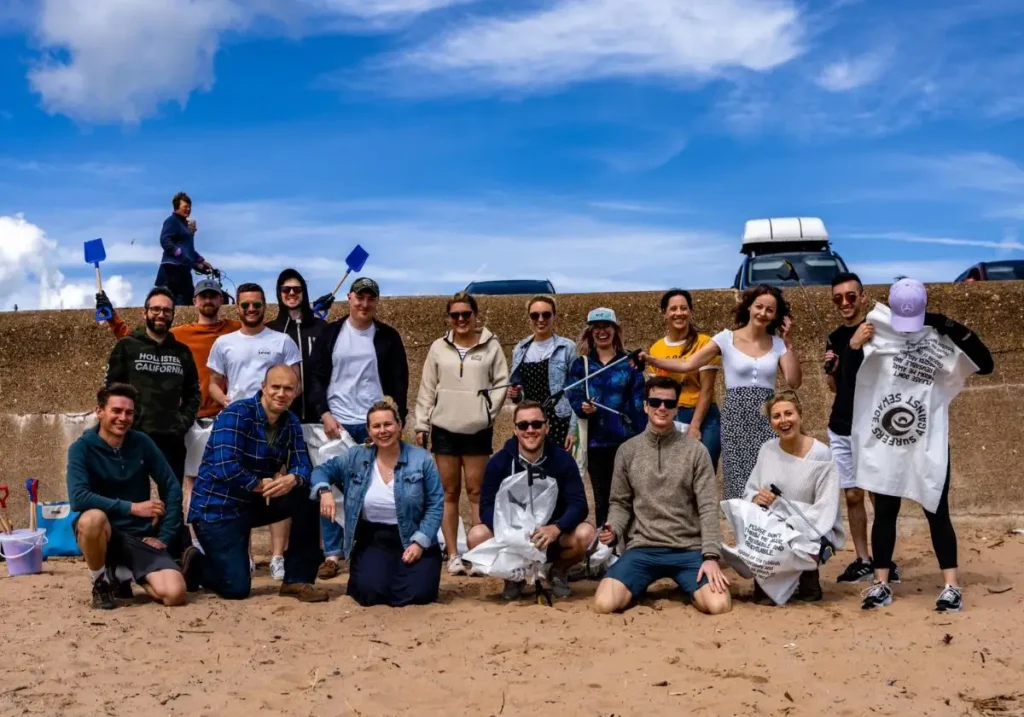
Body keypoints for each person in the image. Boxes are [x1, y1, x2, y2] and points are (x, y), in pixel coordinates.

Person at [858, 279, 993, 613]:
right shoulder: (877, 332)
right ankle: (881, 583)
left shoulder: (939, 339)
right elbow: (853, 378)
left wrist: (947, 324)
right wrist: (851, 345)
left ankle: (951, 585)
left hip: (927, 439)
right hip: (888, 437)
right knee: (885, 511)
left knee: (936, 508)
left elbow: (985, 364)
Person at [642, 285, 801, 500]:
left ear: (775, 315)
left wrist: (788, 342)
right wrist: (651, 360)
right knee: (738, 484)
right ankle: (740, 532)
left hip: (767, 418)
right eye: (759, 307)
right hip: (735, 417)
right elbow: (688, 364)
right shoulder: (726, 338)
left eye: (769, 310)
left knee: (768, 484)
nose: (763, 313)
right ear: (749, 307)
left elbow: (793, 381)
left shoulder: (778, 344)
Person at [186, 365, 328, 602]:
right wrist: (263, 485)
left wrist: (293, 478)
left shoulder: (291, 422)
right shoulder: (236, 414)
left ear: (295, 393)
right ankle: (195, 563)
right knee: (237, 588)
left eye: (288, 389)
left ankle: (297, 580)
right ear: (263, 387)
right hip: (218, 508)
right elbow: (225, 466)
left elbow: (304, 465)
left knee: (307, 493)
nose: (281, 393)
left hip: (254, 503)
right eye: (276, 387)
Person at [593, 376, 731, 616]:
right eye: (655, 402)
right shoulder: (628, 451)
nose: (662, 408)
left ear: (677, 407)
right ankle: (639, 584)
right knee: (604, 604)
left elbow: (708, 506)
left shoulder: (695, 451)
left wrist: (710, 556)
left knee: (719, 606)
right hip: (642, 548)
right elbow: (620, 503)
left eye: (669, 403)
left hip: (688, 549)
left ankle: (688, 588)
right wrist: (613, 529)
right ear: (645, 405)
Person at [308, 277, 409, 580]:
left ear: (376, 302)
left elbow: (399, 382)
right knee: (330, 490)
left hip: (373, 425)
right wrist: (323, 413)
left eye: (370, 299)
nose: (364, 304)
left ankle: (365, 549)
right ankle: (332, 554)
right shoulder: (330, 334)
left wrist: (396, 420)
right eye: (359, 298)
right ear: (349, 298)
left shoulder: (388, 337)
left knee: (370, 491)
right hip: (335, 424)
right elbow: (315, 377)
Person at [207, 282, 302, 579]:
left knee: (280, 485)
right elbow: (213, 382)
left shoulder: (282, 341)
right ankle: (244, 556)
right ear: (237, 306)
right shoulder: (224, 342)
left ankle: (277, 557)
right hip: (239, 426)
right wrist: (226, 402)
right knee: (242, 488)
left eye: (257, 305)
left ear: (265, 307)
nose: (251, 310)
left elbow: (295, 382)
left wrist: (279, 408)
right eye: (245, 305)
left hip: (273, 424)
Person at [66, 384, 189, 610]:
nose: (123, 418)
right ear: (99, 411)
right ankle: (101, 582)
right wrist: (132, 507)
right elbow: (79, 498)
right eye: (116, 411)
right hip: (105, 534)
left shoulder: (141, 442)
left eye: (129, 412)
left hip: (139, 536)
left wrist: (165, 536)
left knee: (175, 595)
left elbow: (171, 486)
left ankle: (124, 574)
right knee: (91, 518)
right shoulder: (81, 449)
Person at [311, 399, 444, 607]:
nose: (383, 431)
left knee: (419, 594)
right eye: (376, 426)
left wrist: (420, 542)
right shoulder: (357, 456)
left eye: (388, 424)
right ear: (369, 430)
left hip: (414, 537)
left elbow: (436, 504)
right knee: (369, 593)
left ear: (399, 426)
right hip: (374, 539)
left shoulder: (422, 459)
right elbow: (321, 471)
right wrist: (325, 490)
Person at [414, 292, 509, 576]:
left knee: (477, 492)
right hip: (444, 428)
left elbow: (502, 383)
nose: (461, 320)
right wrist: (421, 424)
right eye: (455, 315)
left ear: (475, 315)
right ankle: (454, 553)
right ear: (449, 318)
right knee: (449, 493)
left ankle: (479, 554)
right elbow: (427, 388)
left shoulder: (491, 346)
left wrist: (486, 413)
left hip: (477, 429)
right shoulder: (437, 348)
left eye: (466, 314)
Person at [468, 400, 595, 600]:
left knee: (586, 533)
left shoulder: (563, 460)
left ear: (547, 427)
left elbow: (579, 504)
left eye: (536, 424)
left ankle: (557, 571)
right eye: (523, 425)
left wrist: (556, 528)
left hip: (552, 538)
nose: (530, 430)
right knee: (476, 535)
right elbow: (486, 507)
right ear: (515, 429)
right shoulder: (499, 463)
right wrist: (512, 532)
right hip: (513, 538)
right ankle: (513, 576)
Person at [823, 272, 899, 584]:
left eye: (850, 296)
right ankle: (863, 558)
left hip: (873, 425)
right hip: (841, 424)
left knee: (880, 494)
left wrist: (858, 345)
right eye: (838, 298)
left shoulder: (880, 330)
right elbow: (833, 386)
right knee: (853, 494)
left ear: (863, 297)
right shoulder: (835, 337)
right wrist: (833, 365)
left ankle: (884, 559)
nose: (844, 303)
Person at [744, 390, 844, 604]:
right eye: (776, 416)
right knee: (765, 600)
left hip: (806, 532)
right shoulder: (767, 450)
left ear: (800, 415)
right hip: (772, 535)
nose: (783, 420)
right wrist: (757, 498)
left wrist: (790, 520)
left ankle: (806, 575)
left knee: (810, 596)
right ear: (771, 421)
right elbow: (750, 491)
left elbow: (827, 507)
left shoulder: (822, 454)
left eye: (788, 414)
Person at [105, 287, 201, 491]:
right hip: (134, 436)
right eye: (155, 309)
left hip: (171, 438)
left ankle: (172, 525)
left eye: (167, 311)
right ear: (145, 312)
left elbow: (193, 393)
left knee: (172, 496)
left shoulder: (182, 352)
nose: (161, 314)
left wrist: (182, 423)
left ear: (173, 315)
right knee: (134, 497)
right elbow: (112, 390)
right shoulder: (127, 346)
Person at [566, 308, 646, 528]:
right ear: (590, 332)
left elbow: (638, 401)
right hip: (595, 443)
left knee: (628, 496)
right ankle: (605, 545)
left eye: (606, 327)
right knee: (602, 497)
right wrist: (583, 407)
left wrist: (638, 437)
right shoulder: (580, 365)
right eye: (596, 328)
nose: (602, 332)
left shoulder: (629, 363)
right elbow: (573, 393)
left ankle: (628, 545)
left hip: (625, 442)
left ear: (614, 329)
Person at [646, 289, 722, 469]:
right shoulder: (656, 349)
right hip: (670, 414)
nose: (678, 313)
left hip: (704, 416)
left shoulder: (704, 343)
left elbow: (707, 389)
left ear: (691, 312)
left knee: (703, 471)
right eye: (673, 309)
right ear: (665, 313)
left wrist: (694, 426)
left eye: (683, 308)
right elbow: (655, 391)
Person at [507, 295, 579, 451]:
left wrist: (573, 430)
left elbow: (576, 391)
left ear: (554, 316)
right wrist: (516, 395)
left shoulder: (567, 347)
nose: (540, 319)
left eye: (546, 314)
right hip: (530, 423)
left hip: (559, 421)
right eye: (535, 315)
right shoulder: (520, 349)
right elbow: (520, 396)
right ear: (529, 318)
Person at [265, 268, 327, 424]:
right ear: (280, 293)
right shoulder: (269, 330)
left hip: (319, 415)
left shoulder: (322, 328)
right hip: (283, 416)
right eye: (286, 289)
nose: (291, 293)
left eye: (297, 289)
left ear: (303, 292)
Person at [156, 191, 212, 306]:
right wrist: (177, 252)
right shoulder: (171, 221)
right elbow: (165, 240)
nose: (188, 209)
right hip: (172, 268)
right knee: (175, 301)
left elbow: (189, 250)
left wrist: (201, 261)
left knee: (188, 299)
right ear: (177, 207)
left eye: (189, 207)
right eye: (185, 206)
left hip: (184, 268)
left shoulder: (185, 226)